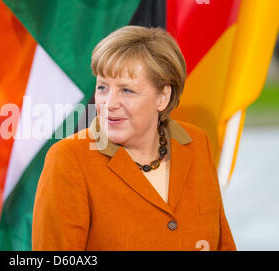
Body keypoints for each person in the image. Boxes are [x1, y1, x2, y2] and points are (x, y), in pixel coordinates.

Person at [32, 26, 236, 251]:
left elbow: (222, 244)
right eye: (102, 88)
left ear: (163, 97)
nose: (109, 103)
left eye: (126, 90)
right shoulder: (69, 159)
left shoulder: (197, 143)